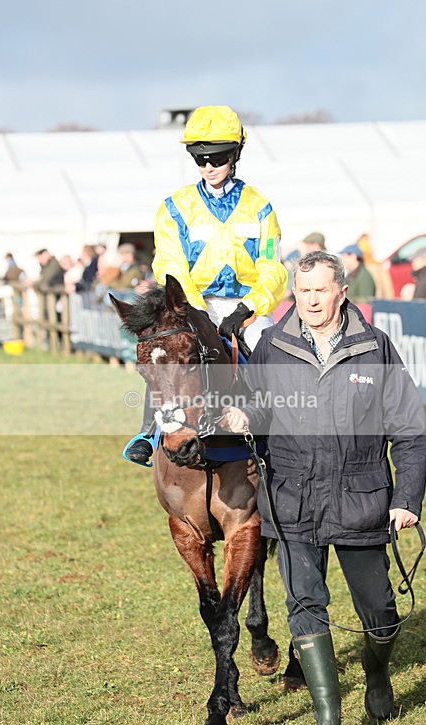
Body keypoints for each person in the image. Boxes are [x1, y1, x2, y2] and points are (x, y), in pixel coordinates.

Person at [220, 250, 426, 725]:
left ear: (341, 292)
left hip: (361, 497)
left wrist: (406, 498)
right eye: (303, 290)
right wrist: (243, 415)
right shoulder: (273, 344)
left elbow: (409, 429)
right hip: (292, 499)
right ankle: (328, 721)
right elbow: (256, 402)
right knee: (304, 605)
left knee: (379, 611)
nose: (311, 300)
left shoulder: (374, 347)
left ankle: (377, 675)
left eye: (320, 290)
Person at [123, 104, 287, 465]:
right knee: (165, 351)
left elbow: (272, 267)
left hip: (249, 305)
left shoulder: (259, 206)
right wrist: (195, 312)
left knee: (271, 352)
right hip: (193, 305)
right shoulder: (174, 207)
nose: (209, 167)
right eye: (201, 159)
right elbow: (170, 265)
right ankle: (149, 431)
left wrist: (249, 308)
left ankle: (285, 439)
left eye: (217, 158)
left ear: (236, 155)